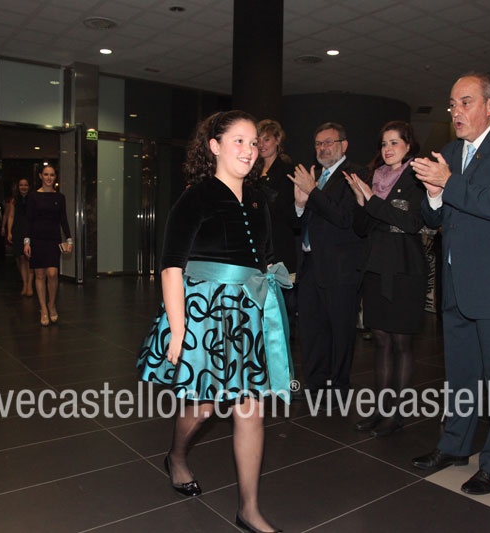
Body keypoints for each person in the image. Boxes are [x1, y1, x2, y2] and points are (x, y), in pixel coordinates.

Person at [137, 110, 291, 533]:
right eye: (238, 140)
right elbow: (171, 266)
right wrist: (179, 329)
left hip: (247, 312)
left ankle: (249, 509)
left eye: (253, 142)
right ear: (214, 146)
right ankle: (177, 455)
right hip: (204, 312)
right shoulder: (197, 196)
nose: (249, 149)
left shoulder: (258, 199)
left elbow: (265, 259)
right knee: (203, 407)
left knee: (251, 411)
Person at [409, 72, 490, 495]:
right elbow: (434, 216)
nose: (456, 111)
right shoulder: (450, 152)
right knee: (460, 376)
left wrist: (448, 182)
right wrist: (433, 193)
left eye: (465, 102)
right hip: (457, 284)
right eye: (452, 104)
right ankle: (454, 446)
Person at [343, 121, 427, 437]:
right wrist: (361, 201)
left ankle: (397, 414)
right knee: (380, 340)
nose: (388, 149)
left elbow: (412, 223)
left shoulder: (417, 177)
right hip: (376, 267)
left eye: (394, 142)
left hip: (404, 269)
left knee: (401, 342)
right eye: (384, 143)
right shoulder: (374, 177)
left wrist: (374, 201)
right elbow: (361, 228)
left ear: (408, 145)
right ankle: (380, 410)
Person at [289, 122, 365, 403]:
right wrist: (300, 204)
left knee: (340, 332)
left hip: (340, 268)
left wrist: (313, 193)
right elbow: (298, 225)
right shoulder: (316, 177)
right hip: (310, 266)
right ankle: (314, 383)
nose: (323, 148)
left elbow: (345, 219)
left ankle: (338, 389)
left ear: (344, 145)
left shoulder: (354, 175)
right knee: (311, 330)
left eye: (329, 142)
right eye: (318, 144)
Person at [256, 119, 299, 332]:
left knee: (284, 304)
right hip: (257, 244)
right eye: (258, 140)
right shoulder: (252, 170)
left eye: (267, 139)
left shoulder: (288, 170)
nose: (262, 145)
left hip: (281, 242)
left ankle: (284, 343)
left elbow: (284, 209)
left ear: (278, 140)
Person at [24, 164, 72, 326]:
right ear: (40, 176)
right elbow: (29, 220)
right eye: (46, 174)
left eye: (52, 175)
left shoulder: (60, 197)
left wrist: (69, 239)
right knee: (39, 275)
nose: (49, 178)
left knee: (52, 273)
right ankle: (43, 308)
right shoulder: (33, 196)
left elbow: (63, 219)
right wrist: (26, 242)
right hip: (37, 239)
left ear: (55, 177)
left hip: (53, 239)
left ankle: (52, 304)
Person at [6, 177, 33, 296]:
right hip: (18, 230)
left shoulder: (33, 199)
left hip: (30, 230)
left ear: (29, 186)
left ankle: (30, 285)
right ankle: (25, 284)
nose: (23, 187)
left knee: (30, 259)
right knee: (21, 258)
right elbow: (11, 216)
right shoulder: (14, 200)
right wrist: (9, 231)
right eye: (21, 185)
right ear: (18, 187)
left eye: (25, 185)